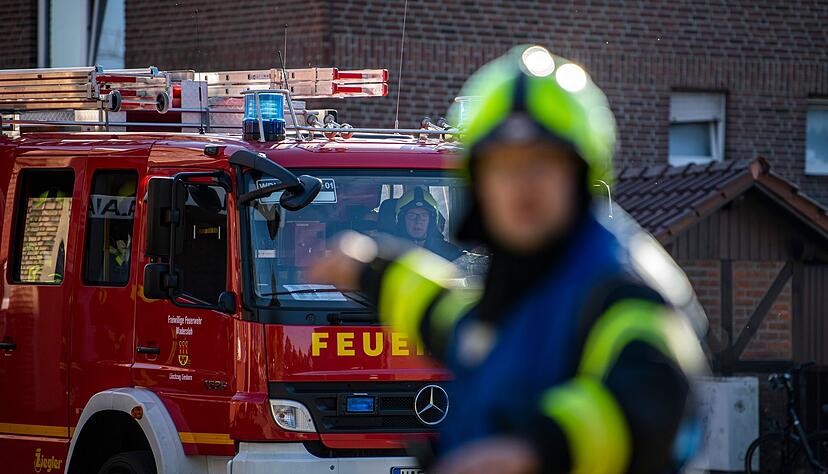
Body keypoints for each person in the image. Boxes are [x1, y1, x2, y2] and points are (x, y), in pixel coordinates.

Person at [310, 45, 706, 474]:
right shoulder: (521, 280)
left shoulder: (621, 285)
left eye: (542, 162)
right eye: (503, 166)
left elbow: (655, 397)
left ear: (579, 172)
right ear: (478, 181)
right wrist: (370, 270)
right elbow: (453, 322)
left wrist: (535, 452)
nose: (522, 185)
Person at [394, 187, 463, 261]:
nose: (418, 221)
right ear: (401, 220)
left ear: (431, 220)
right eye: (412, 215)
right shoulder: (387, 252)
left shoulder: (450, 253)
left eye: (424, 215)